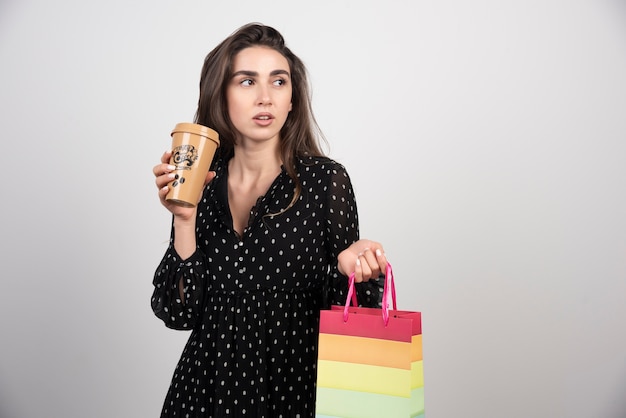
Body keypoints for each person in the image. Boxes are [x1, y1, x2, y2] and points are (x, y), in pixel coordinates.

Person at [151, 22, 388, 417]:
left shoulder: (324, 180)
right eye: (247, 82)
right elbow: (181, 313)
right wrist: (183, 219)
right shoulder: (201, 182)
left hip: (295, 387)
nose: (265, 97)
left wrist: (353, 269)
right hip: (207, 390)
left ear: (293, 98)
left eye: (279, 82)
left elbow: (351, 305)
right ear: (220, 95)